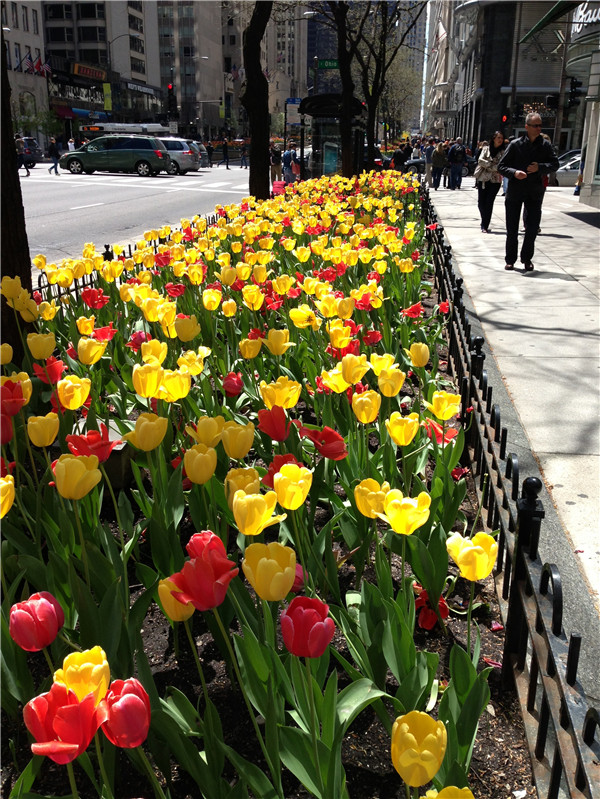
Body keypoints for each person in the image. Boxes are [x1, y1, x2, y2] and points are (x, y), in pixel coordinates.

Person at [497, 112, 559, 271]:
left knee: (531, 229)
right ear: (527, 127)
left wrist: (540, 167)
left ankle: (527, 259)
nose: (539, 128)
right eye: (535, 125)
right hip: (515, 191)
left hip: (534, 192)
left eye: (540, 125)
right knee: (512, 229)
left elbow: (555, 164)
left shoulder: (545, 145)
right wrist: (514, 173)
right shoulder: (516, 144)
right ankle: (510, 259)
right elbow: (501, 166)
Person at [474, 131, 506, 233]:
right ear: (493, 139)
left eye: (501, 138)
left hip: (495, 180)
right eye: (498, 137)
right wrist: (492, 165)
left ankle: (485, 225)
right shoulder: (485, 149)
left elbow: (501, 166)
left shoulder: (504, 152)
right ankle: (484, 219)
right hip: (483, 179)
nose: (500, 140)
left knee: (489, 202)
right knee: (481, 203)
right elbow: (480, 161)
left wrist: (489, 166)